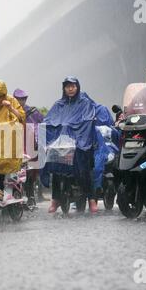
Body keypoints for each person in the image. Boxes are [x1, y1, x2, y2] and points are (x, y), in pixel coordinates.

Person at [41, 77, 98, 214]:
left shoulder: (85, 103)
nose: (70, 89)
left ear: (77, 87)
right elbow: (48, 121)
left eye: (73, 86)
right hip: (60, 144)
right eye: (67, 86)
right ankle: (55, 199)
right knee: (54, 165)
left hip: (79, 143)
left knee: (84, 168)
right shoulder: (58, 104)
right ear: (64, 89)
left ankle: (91, 199)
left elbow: (88, 120)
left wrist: (73, 132)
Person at [13, 88, 45, 208]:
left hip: (31, 145)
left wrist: (40, 143)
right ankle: (18, 197)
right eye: (18, 99)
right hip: (16, 145)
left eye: (23, 99)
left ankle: (31, 196)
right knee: (17, 173)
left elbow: (41, 126)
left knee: (31, 173)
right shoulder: (9, 111)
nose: (20, 101)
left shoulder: (33, 112)